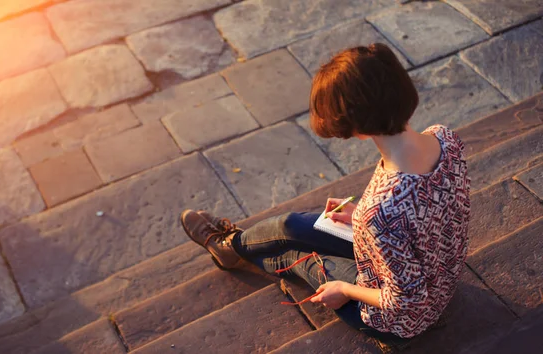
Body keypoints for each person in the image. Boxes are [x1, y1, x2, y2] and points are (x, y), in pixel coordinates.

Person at [180, 43, 471, 346]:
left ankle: (234, 251)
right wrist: (360, 217)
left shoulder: (380, 212)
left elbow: (407, 301)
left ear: (356, 129)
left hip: (400, 319)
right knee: (289, 226)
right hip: (436, 269)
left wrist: (344, 290)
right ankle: (232, 246)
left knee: (299, 257)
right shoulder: (444, 137)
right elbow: (426, 211)